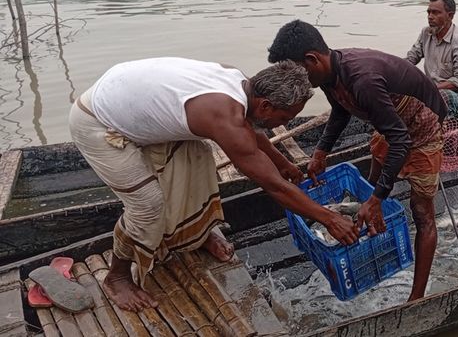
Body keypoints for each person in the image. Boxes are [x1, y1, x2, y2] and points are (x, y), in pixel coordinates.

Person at [68, 58, 358, 312]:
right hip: (97, 123)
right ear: (266, 104)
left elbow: (251, 129)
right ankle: (117, 276)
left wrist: (282, 163)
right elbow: (275, 187)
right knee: (147, 206)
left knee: (200, 156)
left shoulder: (241, 83)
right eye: (284, 118)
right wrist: (330, 218)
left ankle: (198, 233)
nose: (282, 123)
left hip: (125, 96)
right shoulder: (223, 115)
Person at [268, 20, 447, 302]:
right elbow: (340, 110)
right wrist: (320, 151)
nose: (294, 82)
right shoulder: (328, 73)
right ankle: (370, 225)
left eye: (295, 73)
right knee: (371, 185)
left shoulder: (363, 81)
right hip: (390, 123)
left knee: (422, 213)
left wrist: (376, 200)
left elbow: (401, 141)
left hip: (422, 129)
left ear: (312, 60)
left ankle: (417, 296)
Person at [406, 0, 458, 115]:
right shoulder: (426, 33)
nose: (430, 17)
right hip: (432, 91)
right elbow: (410, 59)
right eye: (428, 12)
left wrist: (429, 90)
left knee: (441, 96)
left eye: (435, 13)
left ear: (450, 15)